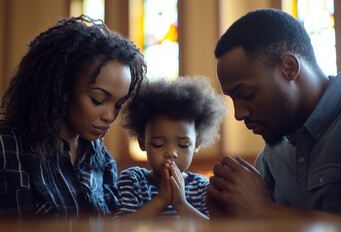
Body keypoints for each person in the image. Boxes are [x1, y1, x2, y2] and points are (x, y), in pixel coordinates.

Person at [206, 8, 341, 219]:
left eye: (247, 94)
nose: (238, 114)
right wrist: (228, 223)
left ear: (289, 68)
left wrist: (263, 211)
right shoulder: (272, 155)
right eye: (232, 99)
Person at [0, 15, 146, 218]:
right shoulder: (8, 147)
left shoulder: (102, 160)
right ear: (64, 89)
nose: (110, 116)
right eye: (98, 99)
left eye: (118, 105)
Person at [115, 76, 227, 220]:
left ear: (196, 144)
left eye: (182, 145)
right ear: (143, 143)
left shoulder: (202, 188)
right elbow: (121, 228)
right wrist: (161, 200)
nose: (170, 153)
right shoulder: (133, 181)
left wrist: (181, 204)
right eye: (158, 144)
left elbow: (215, 230)